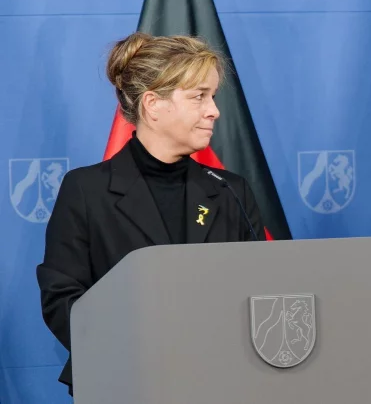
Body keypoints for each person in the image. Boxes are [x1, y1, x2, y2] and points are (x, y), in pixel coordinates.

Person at [36, 32, 267, 395]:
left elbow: (262, 289)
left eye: (213, 96)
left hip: (221, 382)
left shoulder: (229, 190)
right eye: (199, 97)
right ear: (153, 105)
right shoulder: (86, 190)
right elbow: (63, 299)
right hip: (123, 382)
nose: (214, 110)